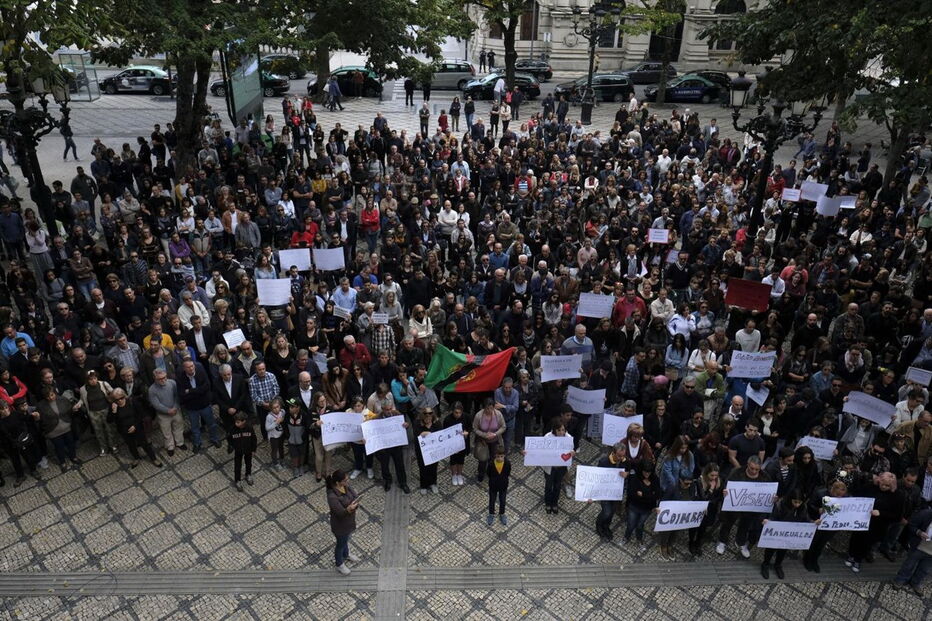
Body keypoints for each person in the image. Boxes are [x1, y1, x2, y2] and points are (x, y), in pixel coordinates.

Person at [716, 455, 771, 558]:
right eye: (752, 468)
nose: (754, 471)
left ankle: (740, 542)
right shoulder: (736, 472)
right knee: (728, 523)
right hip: (735, 505)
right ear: (747, 465)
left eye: (757, 469)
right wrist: (726, 492)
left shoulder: (765, 477)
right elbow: (728, 485)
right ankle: (722, 541)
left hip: (751, 508)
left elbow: (767, 492)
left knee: (745, 525)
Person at [760, 489, 811, 579]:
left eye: (799, 502)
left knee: (783, 550)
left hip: (789, 534)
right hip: (778, 532)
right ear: (790, 499)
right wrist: (769, 521)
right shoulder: (780, 505)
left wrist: (813, 522)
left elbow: (806, 520)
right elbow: (773, 516)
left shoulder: (803, 508)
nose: (797, 505)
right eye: (795, 502)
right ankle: (765, 564)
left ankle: (778, 565)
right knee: (770, 549)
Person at [110, 388, 161, 468]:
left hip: (137, 428)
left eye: (121, 398)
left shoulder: (132, 402)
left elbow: (141, 414)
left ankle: (153, 458)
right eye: (117, 399)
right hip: (125, 431)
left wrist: (135, 426)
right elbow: (109, 420)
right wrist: (114, 411)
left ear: (124, 396)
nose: (119, 400)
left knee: (145, 444)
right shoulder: (114, 407)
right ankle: (136, 458)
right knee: (131, 446)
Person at [326, 469, 361, 576]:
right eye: (345, 480)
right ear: (338, 482)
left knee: (346, 540)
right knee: (340, 544)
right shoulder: (332, 496)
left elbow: (355, 496)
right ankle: (339, 564)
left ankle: (346, 554)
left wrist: (355, 503)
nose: (347, 481)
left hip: (349, 521)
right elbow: (340, 513)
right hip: (340, 525)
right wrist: (349, 509)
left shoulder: (345, 487)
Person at [892, 505, 932, 595]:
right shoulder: (925, 514)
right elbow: (911, 525)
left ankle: (915, 583)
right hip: (919, 547)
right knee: (908, 565)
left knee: (924, 570)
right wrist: (919, 532)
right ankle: (900, 580)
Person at [625, 459, 660, 551]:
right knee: (631, 524)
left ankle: (639, 540)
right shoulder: (635, 478)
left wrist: (643, 495)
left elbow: (657, 495)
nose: (647, 474)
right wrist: (649, 496)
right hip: (634, 506)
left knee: (640, 525)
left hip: (646, 509)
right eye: (645, 472)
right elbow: (632, 494)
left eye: (649, 472)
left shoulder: (655, 479)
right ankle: (626, 537)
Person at [473, 398, 505, 483]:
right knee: (482, 460)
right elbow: (475, 428)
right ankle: (481, 474)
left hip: (495, 440)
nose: (489, 410)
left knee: (494, 458)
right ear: (484, 408)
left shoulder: (498, 414)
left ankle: (492, 473)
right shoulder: (478, 416)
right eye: (487, 408)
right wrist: (484, 435)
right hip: (483, 441)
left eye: (491, 408)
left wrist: (495, 434)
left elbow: (503, 427)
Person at [444, 401, 471, 486]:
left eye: (459, 413)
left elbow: (470, 427)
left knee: (461, 460)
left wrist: (467, 432)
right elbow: (444, 432)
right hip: (452, 444)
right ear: (452, 411)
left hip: (463, 442)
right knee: (453, 460)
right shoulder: (447, 419)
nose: (458, 414)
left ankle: (459, 474)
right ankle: (454, 475)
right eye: (456, 412)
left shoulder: (466, 417)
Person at [414, 407, 440, 494]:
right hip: (422, 452)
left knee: (433, 467)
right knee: (423, 468)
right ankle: (424, 485)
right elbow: (416, 436)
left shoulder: (437, 424)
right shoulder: (417, 424)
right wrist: (422, 434)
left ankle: (433, 483)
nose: (428, 419)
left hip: (434, 451)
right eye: (426, 417)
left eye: (429, 417)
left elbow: (441, 436)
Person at [230, 411, 257, 489]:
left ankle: (248, 475)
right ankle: (237, 480)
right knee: (237, 466)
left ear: (244, 421)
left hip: (248, 449)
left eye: (238, 422)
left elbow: (254, 439)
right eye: (235, 422)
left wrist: (253, 449)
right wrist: (232, 446)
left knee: (248, 463)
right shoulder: (233, 429)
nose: (236, 424)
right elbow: (229, 438)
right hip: (238, 451)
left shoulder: (249, 428)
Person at [486, 444, 511, 526]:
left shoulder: (507, 463)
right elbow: (488, 473)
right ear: (495, 456)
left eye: (501, 456)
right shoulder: (491, 464)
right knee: (492, 500)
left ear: (504, 456)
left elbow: (507, 473)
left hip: (503, 485)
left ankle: (502, 513)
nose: (499, 458)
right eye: (498, 456)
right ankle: (491, 514)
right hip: (493, 485)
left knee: (503, 500)